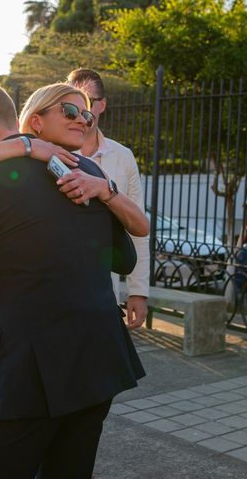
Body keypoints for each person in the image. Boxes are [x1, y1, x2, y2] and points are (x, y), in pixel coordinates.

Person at [0, 83, 147, 478]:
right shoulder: (88, 172)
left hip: (26, 376)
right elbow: (124, 257)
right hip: (98, 361)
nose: (82, 121)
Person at [67, 68, 151, 329]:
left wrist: (138, 291)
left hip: (105, 295)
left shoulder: (123, 156)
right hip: (59, 295)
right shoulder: (51, 152)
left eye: (88, 102)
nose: (81, 112)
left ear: (102, 105)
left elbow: (137, 227)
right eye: (71, 104)